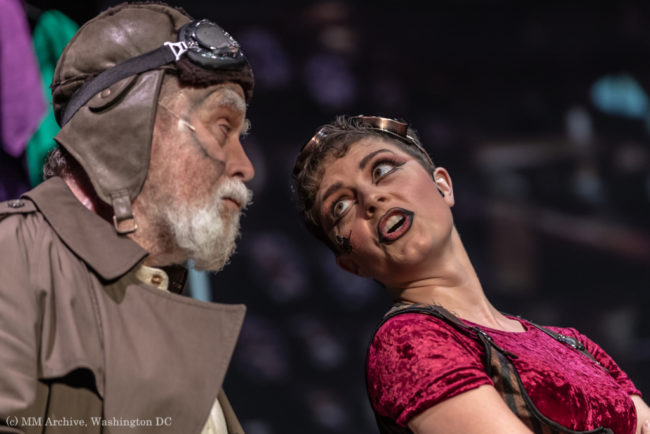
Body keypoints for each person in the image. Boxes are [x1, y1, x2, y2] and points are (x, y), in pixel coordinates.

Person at [291, 115, 650, 434]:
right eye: (341, 206)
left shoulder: (572, 343)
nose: (370, 198)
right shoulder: (407, 342)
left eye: (382, 170)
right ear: (352, 265)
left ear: (443, 186)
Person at [0, 3, 256, 433]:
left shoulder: (163, 298)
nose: (244, 166)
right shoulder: (11, 261)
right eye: (221, 127)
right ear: (126, 122)